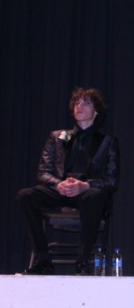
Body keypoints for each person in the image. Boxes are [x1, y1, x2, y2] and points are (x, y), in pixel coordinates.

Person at [16, 87, 119, 276]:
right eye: (77, 102)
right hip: (60, 191)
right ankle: (43, 259)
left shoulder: (107, 141)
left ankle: (83, 261)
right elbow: (43, 172)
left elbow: (111, 180)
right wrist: (58, 184)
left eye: (86, 102)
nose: (80, 106)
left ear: (96, 111)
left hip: (87, 192)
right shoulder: (60, 136)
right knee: (25, 196)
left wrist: (85, 185)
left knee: (95, 197)